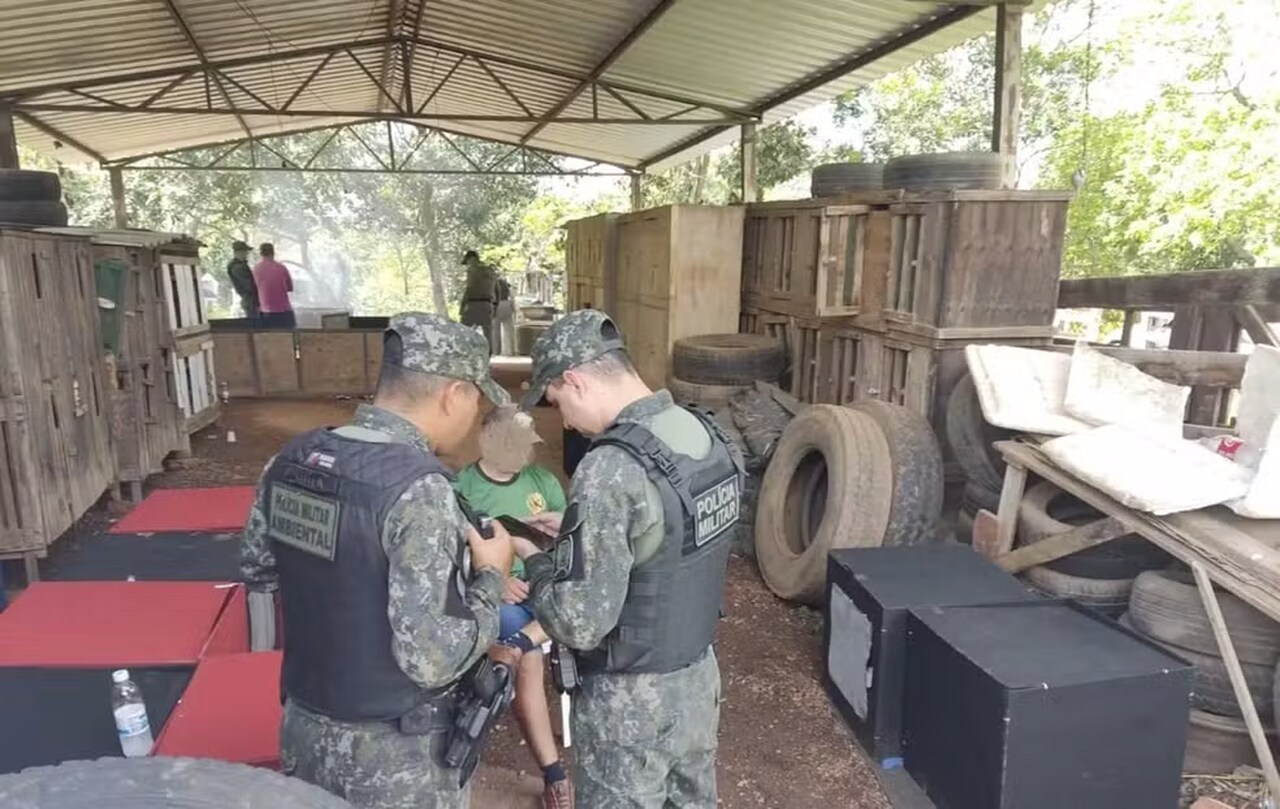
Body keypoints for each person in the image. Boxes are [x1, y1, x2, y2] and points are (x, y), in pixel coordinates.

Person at [239, 312, 522, 808]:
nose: (475, 417)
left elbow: (259, 568)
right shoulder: (418, 489)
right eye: (476, 400)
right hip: (394, 757)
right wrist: (491, 576)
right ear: (454, 394)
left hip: (304, 729)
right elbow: (431, 657)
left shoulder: (292, 460)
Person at [515, 309, 745, 809]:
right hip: (697, 680)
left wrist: (534, 561)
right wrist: (590, 531)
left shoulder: (610, 468)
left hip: (629, 708)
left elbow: (578, 623)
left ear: (574, 381)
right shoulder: (708, 436)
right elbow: (671, 541)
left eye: (556, 403)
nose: (566, 422)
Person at [453, 405, 572, 808]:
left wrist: (557, 531)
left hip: (543, 583)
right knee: (532, 658)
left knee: (574, 609)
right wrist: (496, 579)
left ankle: (520, 643)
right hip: (500, 592)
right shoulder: (463, 487)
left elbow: (567, 552)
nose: (525, 454)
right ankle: (555, 774)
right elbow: (454, 557)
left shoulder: (545, 483)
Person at [459, 250, 498, 350]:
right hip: (487, 304)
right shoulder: (490, 271)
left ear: (472, 259)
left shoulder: (472, 271)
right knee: (488, 333)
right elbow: (497, 289)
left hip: (473, 304)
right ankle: (488, 356)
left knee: (462, 331)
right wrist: (495, 306)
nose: (467, 265)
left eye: (467, 262)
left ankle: (464, 351)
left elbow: (469, 289)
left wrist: (462, 306)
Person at [253, 242, 295, 329]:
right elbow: (290, 288)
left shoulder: (255, 269)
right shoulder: (281, 267)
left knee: (269, 338)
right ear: (273, 252)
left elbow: (254, 287)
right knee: (290, 337)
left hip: (265, 310)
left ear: (261, 253)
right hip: (284, 309)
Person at [226, 240, 258, 318]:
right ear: (239, 252)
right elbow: (249, 285)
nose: (247, 253)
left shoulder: (239, 265)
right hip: (250, 300)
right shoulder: (238, 267)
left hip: (250, 300)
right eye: (245, 251)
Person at [493, 275, 516, 356]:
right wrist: (513, 307)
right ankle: (511, 350)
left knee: (495, 330)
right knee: (509, 330)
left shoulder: (493, 282)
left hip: (496, 305)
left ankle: (496, 350)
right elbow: (512, 296)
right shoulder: (505, 283)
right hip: (506, 304)